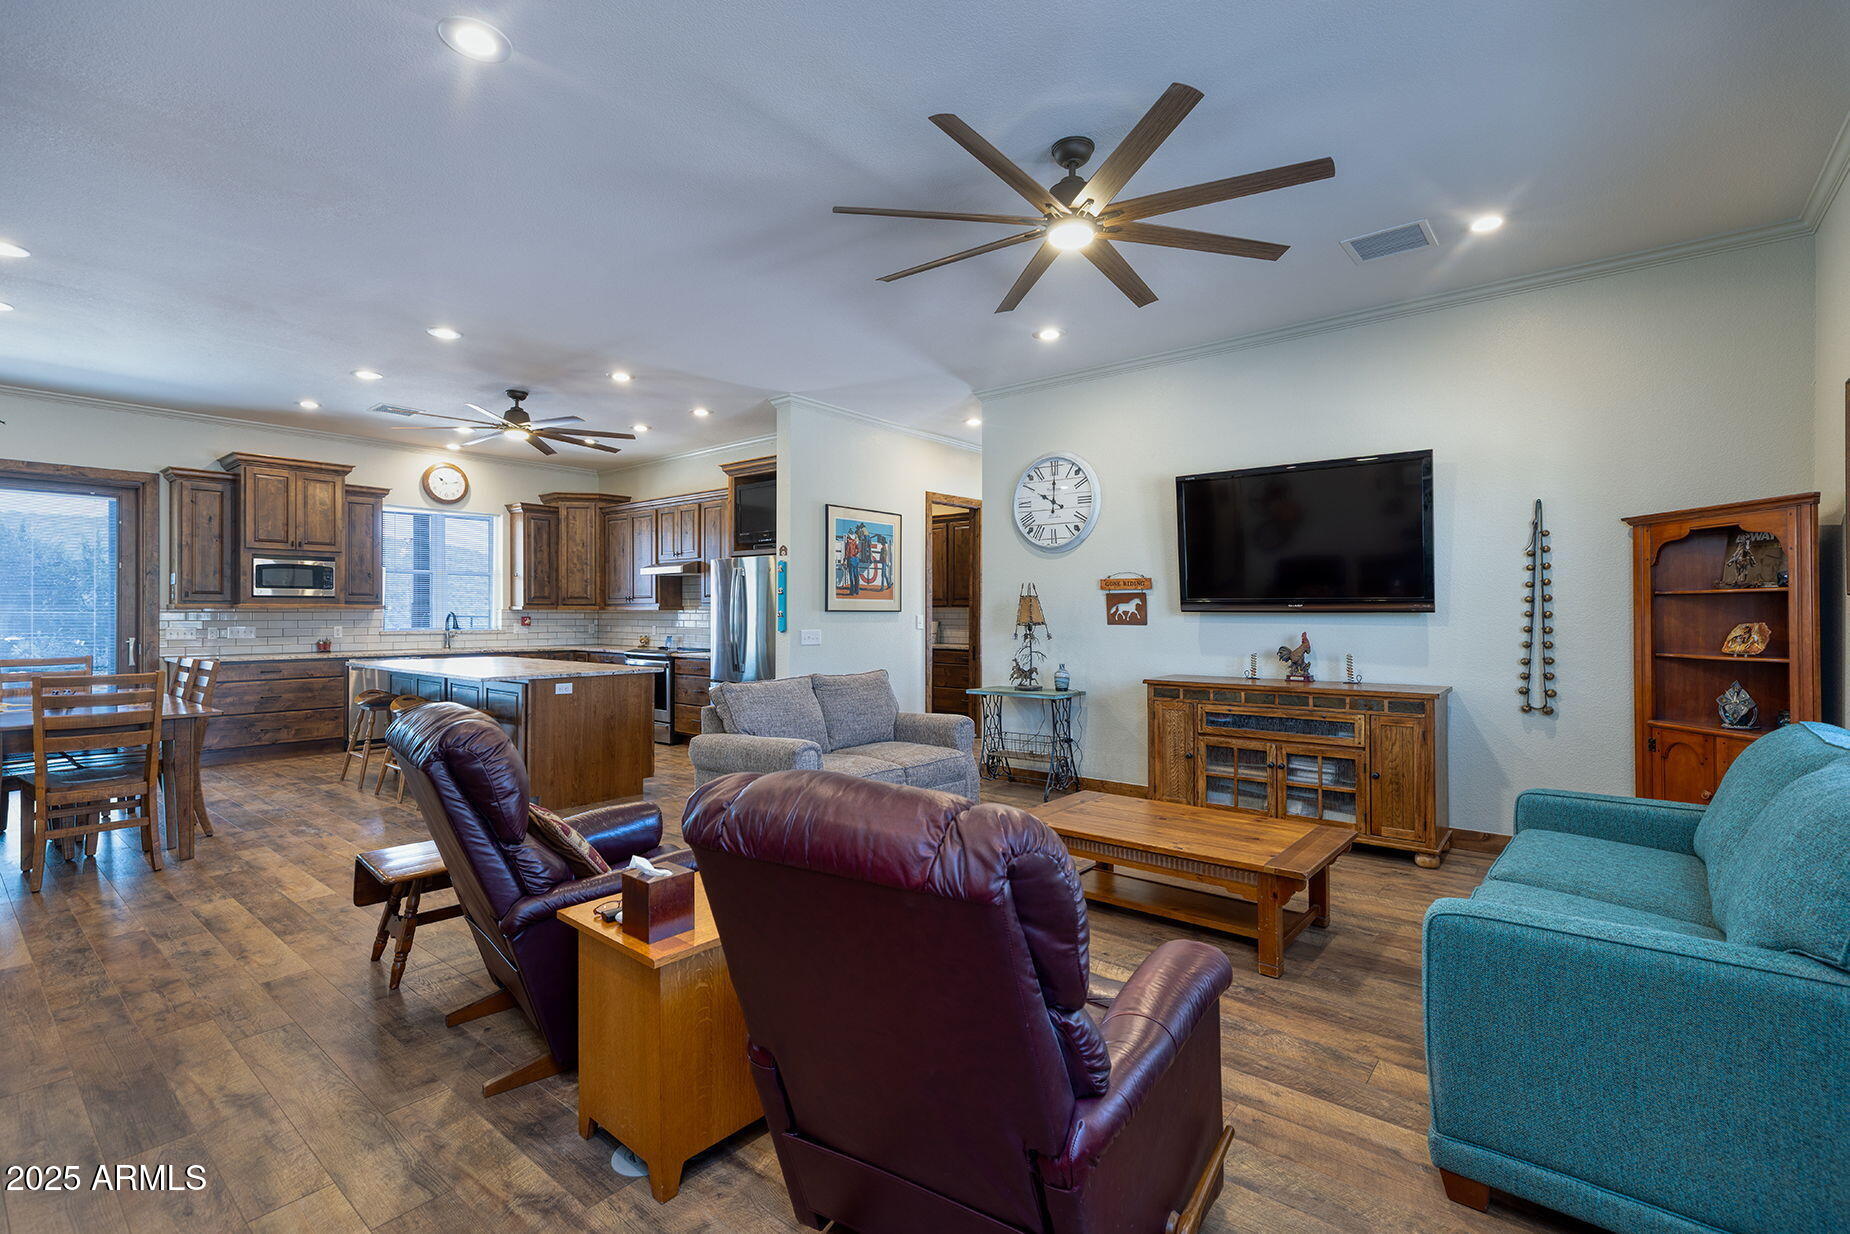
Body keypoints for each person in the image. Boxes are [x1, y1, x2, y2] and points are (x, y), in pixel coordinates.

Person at [841, 525, 862, 596]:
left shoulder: (848, 544)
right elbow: (859, 550)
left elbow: (846, 553)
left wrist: (844, 560)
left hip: (851, 559)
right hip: (856, 559)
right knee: (856, 575)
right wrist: (855, 553)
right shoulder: (855, 542)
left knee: (851, 576)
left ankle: (852, 591)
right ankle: (857, 591)